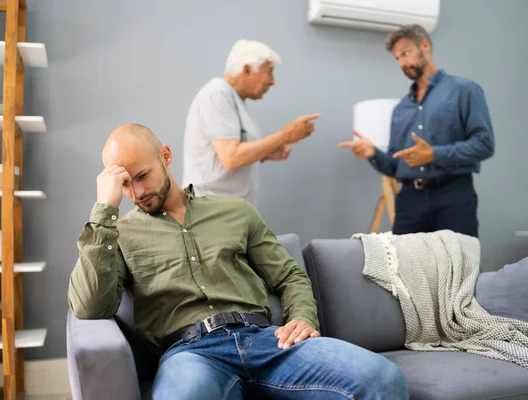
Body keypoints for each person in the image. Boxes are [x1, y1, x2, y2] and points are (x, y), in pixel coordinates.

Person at [68, 124, 408, 399]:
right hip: (192, 354)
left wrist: (302, 317)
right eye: (125, 184)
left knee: (382, 379)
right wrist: (104, 212)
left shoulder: (236, 211)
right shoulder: (119, 234)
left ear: (166, 156)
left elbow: (289, 275)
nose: (137, 193)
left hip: (267, 341)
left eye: (142, 176)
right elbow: (90, 307)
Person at [339, 24, 494, 237]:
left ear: (425, 46)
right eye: (397, 58)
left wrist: (434, 154)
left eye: (406, 53)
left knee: (457, 268)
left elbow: (484, 144)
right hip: (409, 201)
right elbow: (396, 166)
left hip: (453, 196)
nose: (402, 63)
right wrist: (372, 153)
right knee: (404, 268)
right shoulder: (401, 109)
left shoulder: (464, 90)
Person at [182, 39, 319, 205]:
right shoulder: (217, 94)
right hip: (210, 211)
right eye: (269, 72)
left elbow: (229, 154)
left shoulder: (235, 99)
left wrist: (265, 153)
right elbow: (231, 157)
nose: (272, 81)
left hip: (226, 211)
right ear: (246, 70)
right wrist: (285, 136)